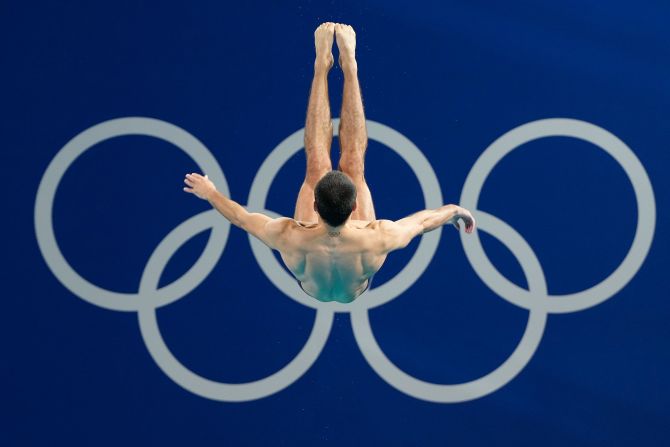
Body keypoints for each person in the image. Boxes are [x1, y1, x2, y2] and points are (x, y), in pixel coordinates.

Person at [183, 22, 476, 303]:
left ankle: (321, 69)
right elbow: (424, 222)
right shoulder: (379, 237)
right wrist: (455, 210)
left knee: (317, 167)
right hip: (358, 264)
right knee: (354, 166)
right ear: (353, 208)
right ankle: (350, 69)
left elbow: (239, 217)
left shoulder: (289, 236)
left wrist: (209, 193)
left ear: (314, 205)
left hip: (310, 267)